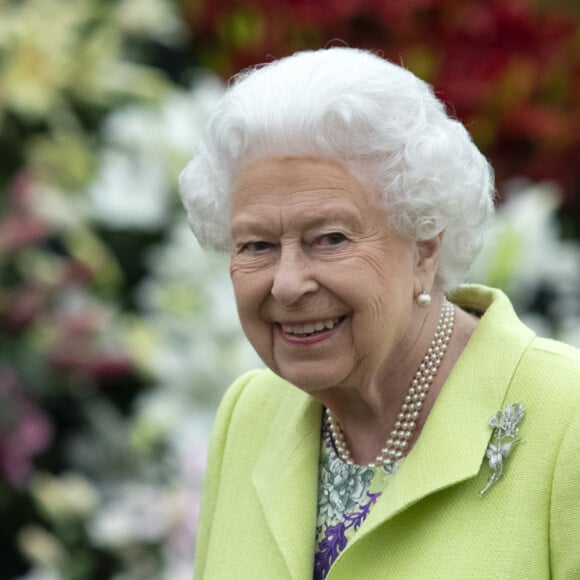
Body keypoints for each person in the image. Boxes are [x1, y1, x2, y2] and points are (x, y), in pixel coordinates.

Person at [179, 47, 580, 579]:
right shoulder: (249, 414)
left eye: (330, 238)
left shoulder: (567, 419)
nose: (289, 283)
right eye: (256, 245)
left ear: (424, 246)